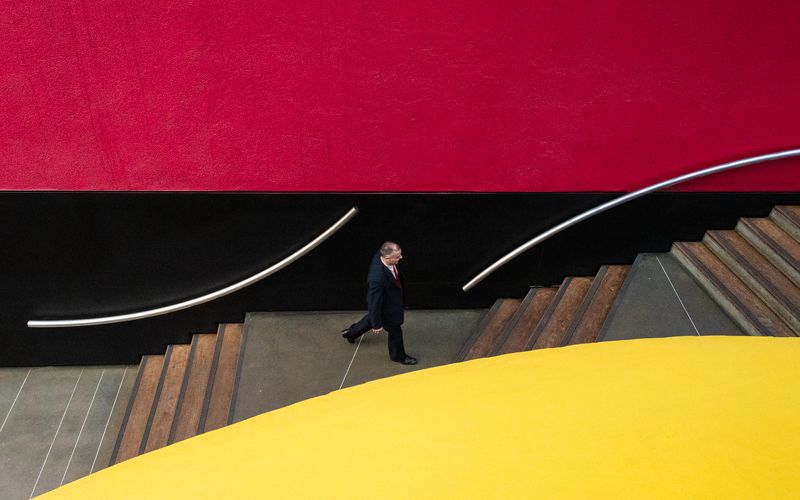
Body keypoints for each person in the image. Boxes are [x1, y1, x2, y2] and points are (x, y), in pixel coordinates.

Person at [341, 241, 417, 365]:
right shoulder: (377, 279)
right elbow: (373, 302)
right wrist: (377, 325)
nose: (401, 258)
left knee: (371, 318)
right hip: (388, 307)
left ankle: (350, 333)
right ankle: (398, 356)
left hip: (386, 302)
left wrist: (375, 319)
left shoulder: (381, 254)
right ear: (387, 258)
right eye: (397, 257)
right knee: (395, 330)